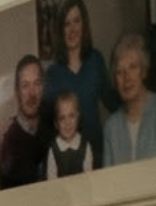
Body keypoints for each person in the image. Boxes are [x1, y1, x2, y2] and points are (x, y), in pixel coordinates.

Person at [42, 0, 117, 163]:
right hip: (67, 160)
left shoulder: (96, 59)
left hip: (97, 152)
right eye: (66, 24)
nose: (72, 29)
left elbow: (112, 101)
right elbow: (46, 124)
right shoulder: (52, 74)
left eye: (77, 21)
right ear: (60, 30)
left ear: (84, 24)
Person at [103, 33, 156, 166]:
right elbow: (109, 184)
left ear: (144, 71)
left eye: (133, 67)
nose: (126, 78)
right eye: (119, 72)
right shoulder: (110, 127)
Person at [0, 55, 48, 190]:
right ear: (17, 92)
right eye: (25, 85)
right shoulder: (5, 141)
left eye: (37, 83)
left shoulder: (54, 129)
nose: (32, 93)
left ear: (43, 88)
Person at [46, 90, 95, 178]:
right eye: (62, 118)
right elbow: (51, 180)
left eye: (71, 116)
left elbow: (89, 177)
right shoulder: (53, 149)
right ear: (56, 124)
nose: (67, 123)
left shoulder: (85, 146)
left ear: (78, 117)